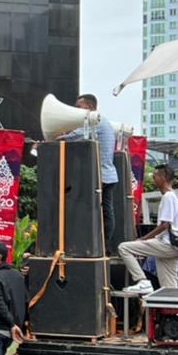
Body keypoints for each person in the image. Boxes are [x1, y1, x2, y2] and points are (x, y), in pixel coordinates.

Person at [60, 94, 118, 249]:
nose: (76, 110)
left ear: (90, 107)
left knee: (97, 211)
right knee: (105, 210)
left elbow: (75, 136)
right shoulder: (101, 121)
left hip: (101, 175)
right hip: (107, 175)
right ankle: (104, 245)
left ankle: (101, 245)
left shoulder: (95, 120)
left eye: (79, 107)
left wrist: (56, 137)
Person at [120, 164, 178, 293]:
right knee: (169, 288)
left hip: (167, 244)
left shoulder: (168, 197)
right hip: (177, 246)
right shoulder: (176, 197)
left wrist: (143, 239)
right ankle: (174, 311)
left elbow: (164, 225)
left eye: (155, 177)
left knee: (124, 248)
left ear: (162, 178)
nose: (153, 180)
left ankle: (142, 281)